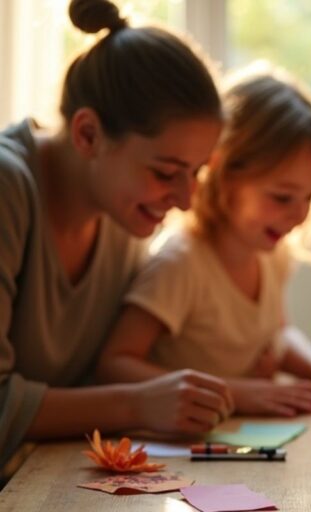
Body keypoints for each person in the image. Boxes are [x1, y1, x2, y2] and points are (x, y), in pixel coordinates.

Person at [0, 0, 234, 470]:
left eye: (195, 172)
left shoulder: (126, 216)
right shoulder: (8, 189)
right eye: (166, 171)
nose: (186, 200)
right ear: (88, 134)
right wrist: (136, 403)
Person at [95, 63, 311, 417]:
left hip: (234, 431)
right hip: (179, 447)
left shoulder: (272, 255)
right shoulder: (181, 263)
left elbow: (279, 336)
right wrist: (238, 393)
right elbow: (115, 364)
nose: (299, 215)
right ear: (222, 174)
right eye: (283, 197)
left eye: (309, 197)